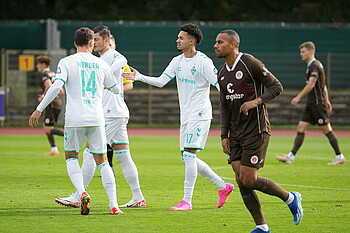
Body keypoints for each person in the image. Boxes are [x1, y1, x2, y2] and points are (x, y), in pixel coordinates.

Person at [123, 23, 234, 211]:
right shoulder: (177, 61)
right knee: (186, 157)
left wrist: (233, 106)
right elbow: (160, 81)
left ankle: (187, 201)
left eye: (181, 38)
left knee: (189, 155)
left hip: (200, 114)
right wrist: (139, 76)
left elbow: (220, 86)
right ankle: (224, 186)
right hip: (186, 116)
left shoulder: (204, 62)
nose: (177, 40)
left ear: (191, 41)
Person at [214, 29, 303, 233]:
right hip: (235, 133)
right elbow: (224, 106)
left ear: (233, 44)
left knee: (248, 179)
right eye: (216, 42)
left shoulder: (250, 63)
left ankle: (290, 197)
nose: (215, 45)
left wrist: (255, 102)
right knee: (240, 179)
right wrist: (224, 135)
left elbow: (276, 86)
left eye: (220, 42)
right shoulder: (221, 73)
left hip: (256, 129)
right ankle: (262, 226)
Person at [29, 27, 123, 215]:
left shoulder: (66, 62)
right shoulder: (101, 64)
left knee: (72, 157)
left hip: (74, 119)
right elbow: (116, 89)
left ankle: (82, 193)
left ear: (74, 43)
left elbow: (56, 87)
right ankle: (114, 205)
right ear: (91, 43)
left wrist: (39, 110)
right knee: (103, 161)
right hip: (96, 118)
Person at [55, 25, 146, 209]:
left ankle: (78, 195)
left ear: (107, 40)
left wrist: (107, 71)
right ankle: (138, 197)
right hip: (117, 112)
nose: (94, 43)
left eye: (97, 39)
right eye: (93, 40)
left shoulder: (110, 56)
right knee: (123, 156)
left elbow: (123, 59)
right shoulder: (98, 60)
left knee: (90, 153)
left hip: (111, 113)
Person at [276, 41, 345, 165]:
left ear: (311, 51)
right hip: (312, 103)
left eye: (303, 51)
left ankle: (339, 156)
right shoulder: (312, 66)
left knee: (326, 129)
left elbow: (312, 84)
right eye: (300, 51)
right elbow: (323, 86)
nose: (301, 54)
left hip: (317, 104)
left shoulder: (314, 65)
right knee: (301, 128)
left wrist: (298, 97)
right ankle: (291, 156)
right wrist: (327, 99)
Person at [36, 56, 64, 156]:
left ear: (43, 64)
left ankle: (69, 136)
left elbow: (48, 85)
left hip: (52, 103)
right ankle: (54, 150)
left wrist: (43, 96)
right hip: (57, 102)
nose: (37, 66)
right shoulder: (53, 74)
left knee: (48, 129)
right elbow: (61, 91)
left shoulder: (45, 74)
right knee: (47, 128)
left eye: (38, 64)